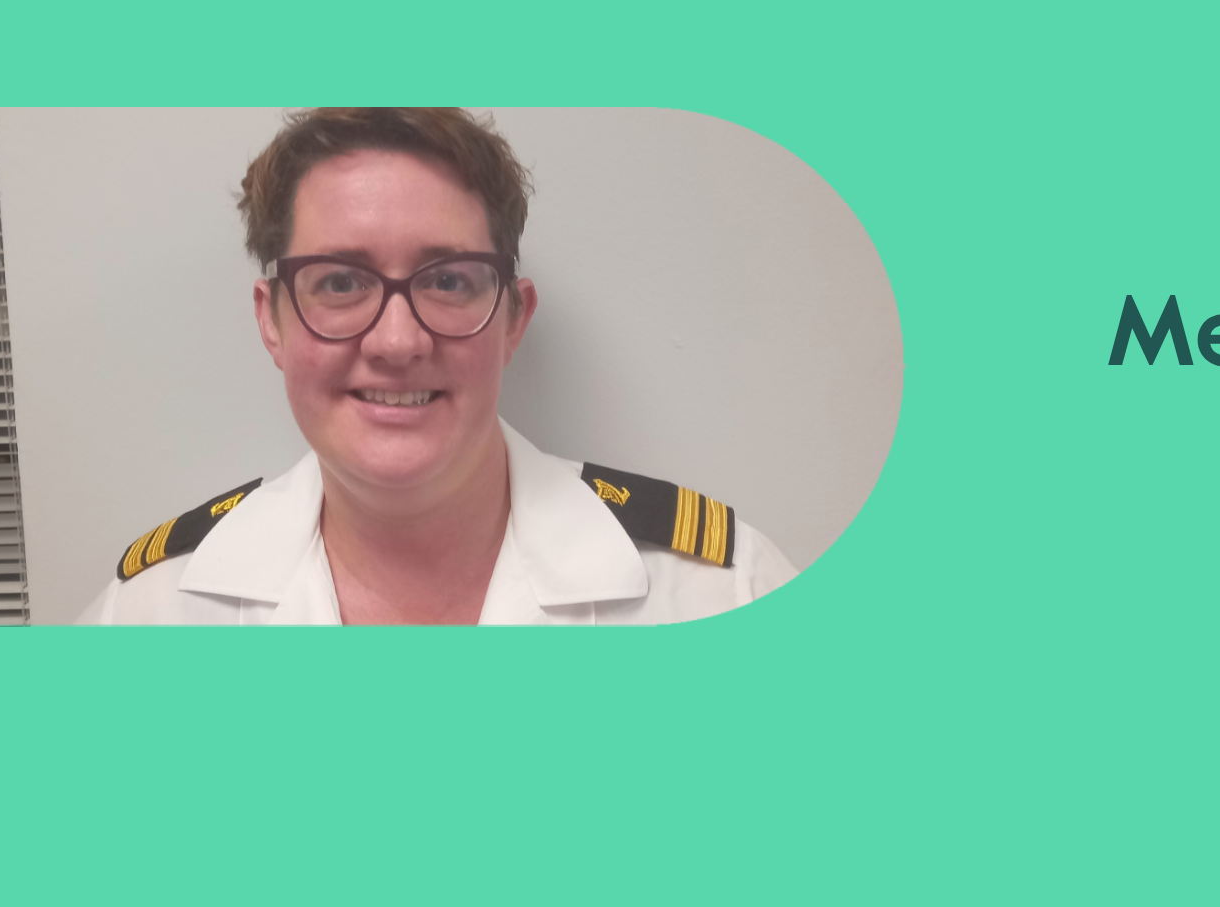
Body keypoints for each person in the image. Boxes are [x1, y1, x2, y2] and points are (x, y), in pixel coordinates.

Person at [78, 107, 796, 625]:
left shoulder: (723, 592)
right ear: (271, 320)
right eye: (339, 281)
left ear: (515, 318)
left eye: (449, 281)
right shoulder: (153, 609)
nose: (397, 342)